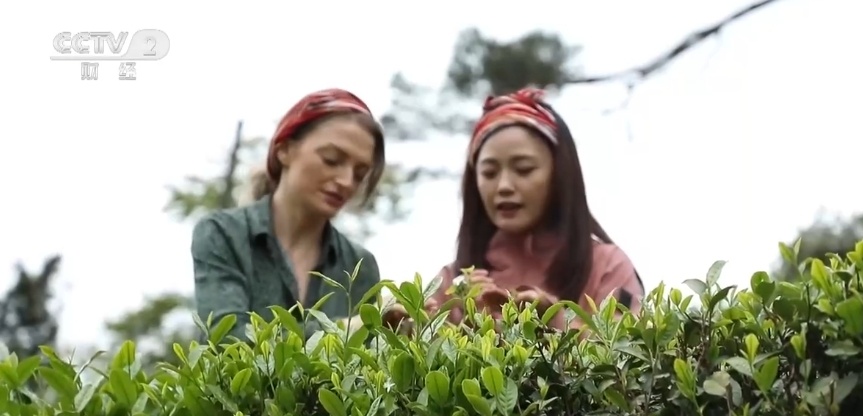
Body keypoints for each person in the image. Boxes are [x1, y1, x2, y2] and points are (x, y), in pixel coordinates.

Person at [386, 88, 644, 333]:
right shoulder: (452, 282)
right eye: (489, 172)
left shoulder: (607, 267)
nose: (504, 186)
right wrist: (411, 328)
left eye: (524, 169)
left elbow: (630, 357)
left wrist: (552, 322)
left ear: (559, 175)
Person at [192, 88, 385, 341]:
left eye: (360, 173)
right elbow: (226, 340)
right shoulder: (224, 234)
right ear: (285, 150)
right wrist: (348, 329)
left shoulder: (360, 266)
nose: (347, 181)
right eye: (332, 159)